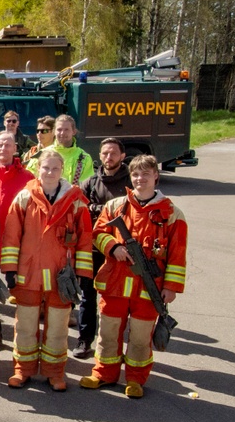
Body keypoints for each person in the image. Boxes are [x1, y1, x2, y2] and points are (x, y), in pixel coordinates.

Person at [80, 155, 187, 399]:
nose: (140, 179)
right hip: (115, 282)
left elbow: (177, 254)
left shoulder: (172, 213)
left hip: (148, 287)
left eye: (146, 174)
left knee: (140, 337)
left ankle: (135, 379)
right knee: (107, 332)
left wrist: (170, 287)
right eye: (136, 175)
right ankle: (103, 373)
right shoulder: (116, 206)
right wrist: (113, 247)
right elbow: (97, 233)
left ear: (156, 176)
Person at [0, 150, 93, 391]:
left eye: (55, 168)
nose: (49, 172)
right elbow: (11, 236)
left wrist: (83, 274)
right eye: (45, 168)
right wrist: (9, 268)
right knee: (25, 326)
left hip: (61, 276)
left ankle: (54, 372)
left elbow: (84, 239)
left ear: (63, 171)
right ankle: (23, 370)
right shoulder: (24, 197)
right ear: (38, 169)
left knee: (58, 327)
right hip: (28, 274)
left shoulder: (76, 201)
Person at [75, 137, 132, 359]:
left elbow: (132, 210)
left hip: (121, 250)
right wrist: (104, 209)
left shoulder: (130, 182)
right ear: (100, 155)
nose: (109, 157)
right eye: (105, 153)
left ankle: (115, 346)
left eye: (113, 154)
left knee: (118, 300)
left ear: (122, 156)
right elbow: (81, 208)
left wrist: (97, 209)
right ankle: (84, 340)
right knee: (88, 296)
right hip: (93, 248)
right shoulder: (90, 183)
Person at [0, 131, 35, 351]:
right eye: (0, 145)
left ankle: (26, 336)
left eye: (8, 145)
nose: (4, 149)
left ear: (15, 149)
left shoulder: (28, 178)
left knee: (21, 292)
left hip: (18, 244)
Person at [26, 115, 94, 185]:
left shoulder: (84, 158)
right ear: (54, 132)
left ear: (74, 132)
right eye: (59, 129)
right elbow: (29, 182)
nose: (62, 133)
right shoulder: (41, 155)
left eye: (66, 129)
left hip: (74, 195)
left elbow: (86, 187)